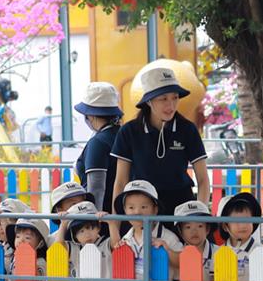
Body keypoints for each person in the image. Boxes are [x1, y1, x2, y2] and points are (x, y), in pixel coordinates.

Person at [109, 65, 211, 219]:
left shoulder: (187, 129)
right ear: (149, 101)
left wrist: (199, 215)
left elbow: (203, 179)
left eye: (175, 97)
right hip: (141, 209)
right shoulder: (129, 131)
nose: (171, 105)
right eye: (163, 99)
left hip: (180, 209)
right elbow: (120, 181)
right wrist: (116, 223)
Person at [73, 82, 124, 211]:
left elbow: (96, 188)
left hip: (104, 215)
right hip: (124, 211)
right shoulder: (123, 134)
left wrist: (93, 218)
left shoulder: (98, 143)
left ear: (91, 115)